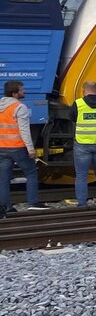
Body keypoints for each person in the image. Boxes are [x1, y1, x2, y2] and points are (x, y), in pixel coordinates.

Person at [0, 80, 42, 215]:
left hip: (2, 148)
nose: (24, 92)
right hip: (17, 147)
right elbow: (24, 130)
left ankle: (6, 207)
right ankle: (33, 202)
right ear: (14, 93)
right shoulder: (19, 107)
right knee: (31, 173)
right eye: (22, 90)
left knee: (4, 179)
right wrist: (30, 149)